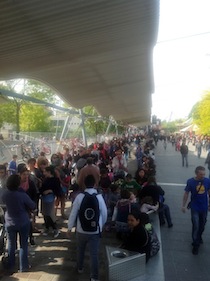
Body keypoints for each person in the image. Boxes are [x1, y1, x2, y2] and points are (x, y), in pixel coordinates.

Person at [67, 175, 107, 281]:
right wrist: (101, 226)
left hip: (81, 230)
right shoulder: (99, 197)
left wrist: (69, 227)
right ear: (95, 184)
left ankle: (80, 268)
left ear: (84, 184)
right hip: (95, 231)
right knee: (94, 254)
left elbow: (73, 213)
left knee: (80, 250)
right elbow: (104, 213)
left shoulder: (79, 197)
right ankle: (94, 277)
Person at [2, 174, 36, 273]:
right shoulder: (21, 195)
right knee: (23, 244)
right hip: (22, 221)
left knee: (11, 244)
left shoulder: (5, 194)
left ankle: (11, 264)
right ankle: (23, 266)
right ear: (18, 183)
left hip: (9, 221)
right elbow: (32, 205)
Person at [182, 166, 210, 255]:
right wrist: (183, 206)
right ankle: (195, 244)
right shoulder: (190, 181)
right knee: (196, 225)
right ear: (196, 173)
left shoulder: (207, 181)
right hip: (195, 207)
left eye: (204, 174)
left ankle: (199, 236)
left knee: (203, 224)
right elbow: (186, 193)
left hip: (204, 207)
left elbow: (209, 192)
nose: (203, 176)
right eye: (201, 174)